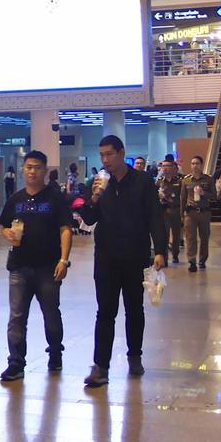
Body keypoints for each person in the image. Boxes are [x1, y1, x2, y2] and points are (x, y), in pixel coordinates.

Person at [77, 135, 166, 388]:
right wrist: (93, 197)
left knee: (134, 309)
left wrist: (159, 249)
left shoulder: (142, 182)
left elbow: (154, 217)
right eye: (102, 155)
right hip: (105, 257)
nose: (105, 160)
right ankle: (100, 366)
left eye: (109, 154)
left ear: (121, 152)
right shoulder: (97, 183)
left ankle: (134, 355)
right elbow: (89, 219)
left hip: (135, 255)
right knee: (105, 312)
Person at [0, 151, 73, 382]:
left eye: (37, 167)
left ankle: (55, 352)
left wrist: (63, 259)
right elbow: (1, 224)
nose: (32, 171)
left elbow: (66, 229)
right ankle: (16, 362)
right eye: (29, 167)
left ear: (45, 170)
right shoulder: (16, 199)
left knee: (50, 313)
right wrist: (6, 232)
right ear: (23, 169)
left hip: (48, 267)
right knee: (17, 316)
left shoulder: (55, 198)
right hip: (19, 266)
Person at [181, 155, 216, 272]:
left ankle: (202, 259)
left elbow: (214, 196)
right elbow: (183, 198)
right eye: (192, 164)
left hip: (204, 212)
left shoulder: (208, 179)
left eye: (197, 163)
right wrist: (182, 215)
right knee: (190, 238)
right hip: (190, 213)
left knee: (204, 237)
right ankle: (192, 261)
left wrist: (203, 193)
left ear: (201, 165)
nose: (194, 166)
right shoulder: (186, 180)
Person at [156, 155, 183, 266]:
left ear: (173, 167)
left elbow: (182, 197)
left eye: (168, 166)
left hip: (175, 210)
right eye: (163, 166)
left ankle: (175, 254)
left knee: (176, 234)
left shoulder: (179, 181)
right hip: (164, 211)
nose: (165, 168)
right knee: (164, 235)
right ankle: (165, 258)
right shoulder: (159, 182)